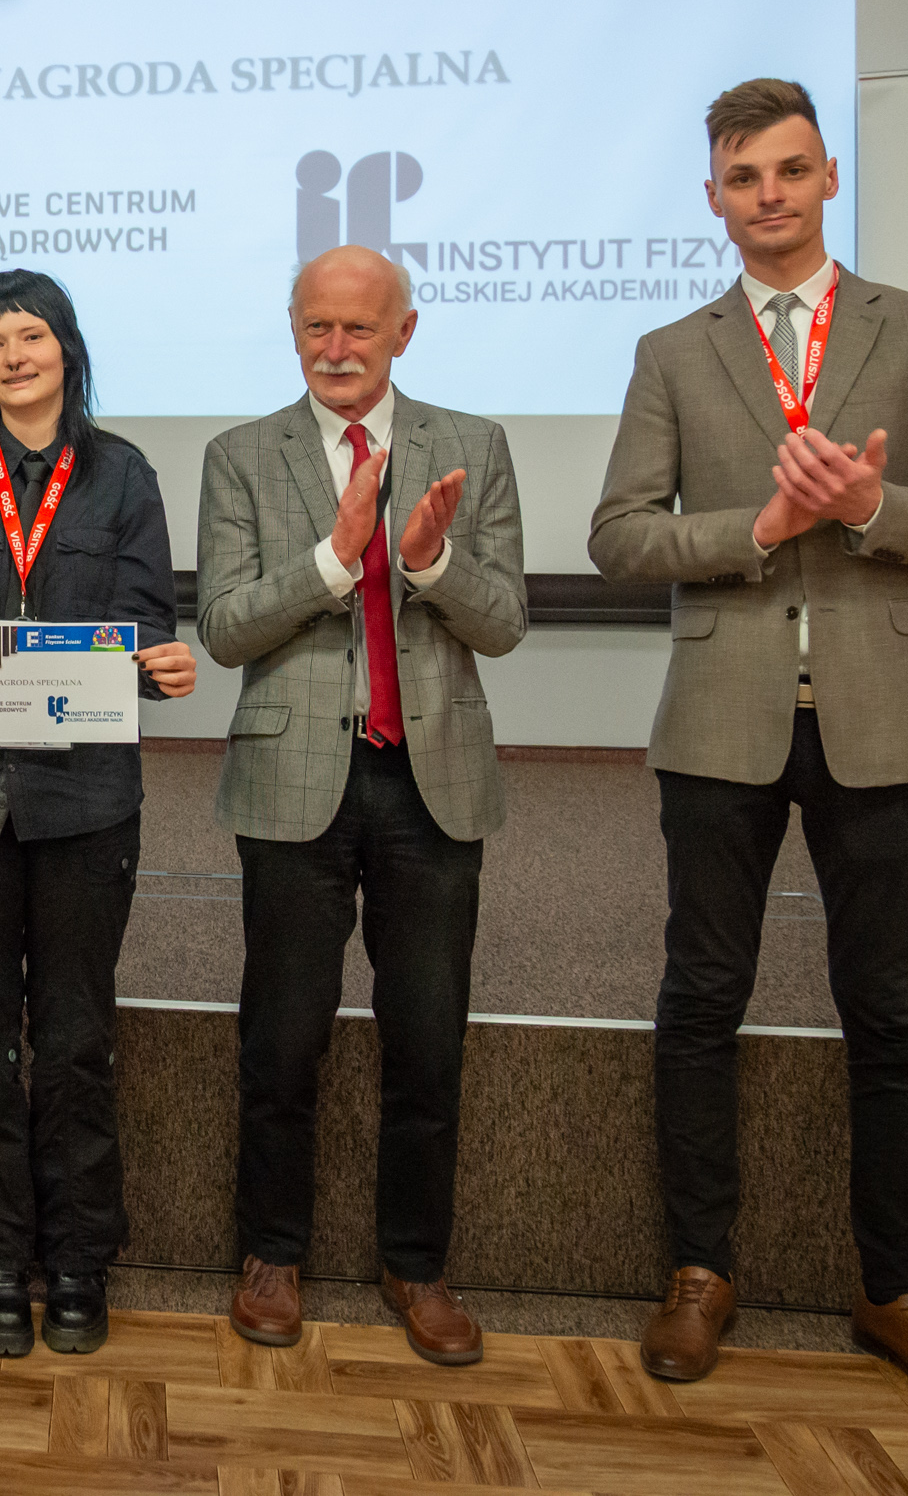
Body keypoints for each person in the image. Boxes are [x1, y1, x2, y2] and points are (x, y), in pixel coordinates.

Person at [590, 78, 908, 1418]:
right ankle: (699, 1269)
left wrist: (875, 504)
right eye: (742, 176)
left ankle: (900, 1291)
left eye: (788, 168)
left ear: (829, 175)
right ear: (713, 198)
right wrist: (758, 529)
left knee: (888, 1006)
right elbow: (618, 535)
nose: (767, 193)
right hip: (723, 714)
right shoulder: (673, 349)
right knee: (701, 996)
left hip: (882, 714)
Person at [195, 244, 527, 1366]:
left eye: (359, 328)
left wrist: (428, 564)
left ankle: (417, 1262)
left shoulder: (473, 444)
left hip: (432, 781)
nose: (335, 349)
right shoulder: (241, 455)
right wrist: (336, 561)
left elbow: (504, 621)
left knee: (427, 1039)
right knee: (281, 1038)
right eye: (315, 327)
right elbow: (225, 627)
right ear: (293, 329)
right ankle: (271, 1252)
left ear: (404, 332)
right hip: (293, 780)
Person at [0, 270, 196, 1358]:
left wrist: (163, 664)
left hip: (85, 801)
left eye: (31, 335)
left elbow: (147, 627)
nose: (13, 356)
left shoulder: (124, 475)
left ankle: (77, 1258)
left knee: (74, 1037)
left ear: (67, 348)